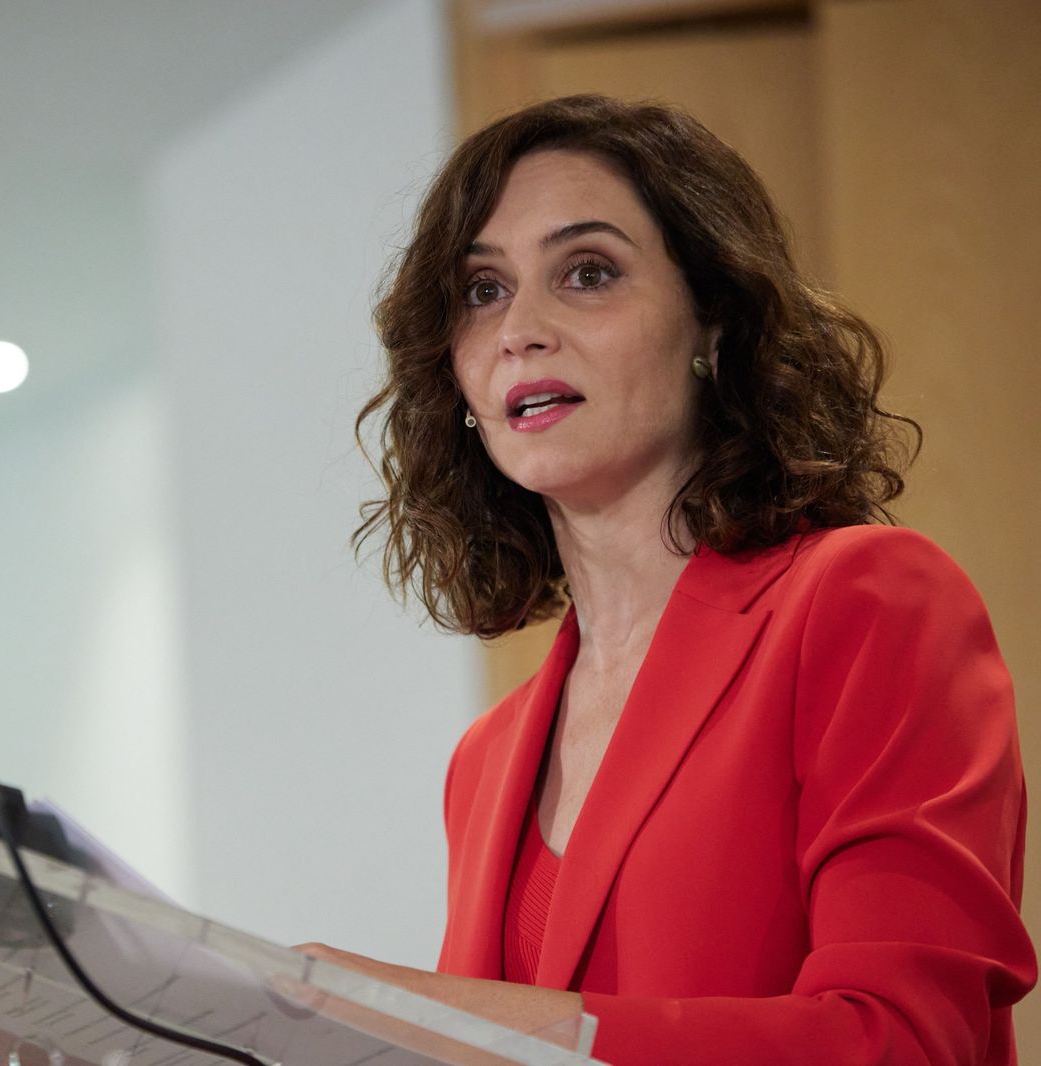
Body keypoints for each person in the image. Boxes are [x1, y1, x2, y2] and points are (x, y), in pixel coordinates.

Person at [299, 95, 1035, 1065]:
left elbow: (902, 1043)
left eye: (587, 272)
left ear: (714, 325)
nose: (520, 327)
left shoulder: (864, 603)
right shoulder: (483, 762)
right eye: (480, 290)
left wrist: (417, 1016)